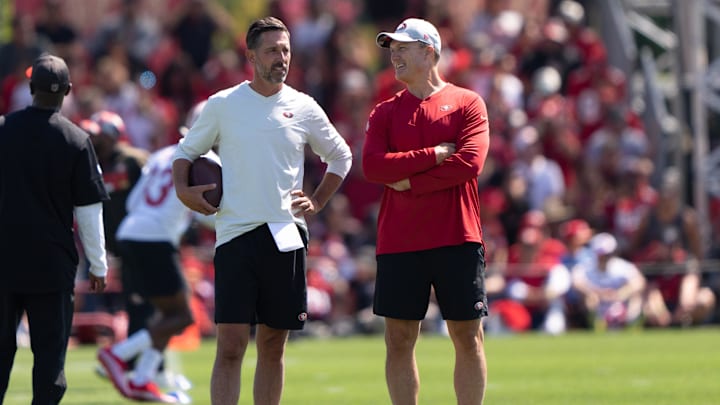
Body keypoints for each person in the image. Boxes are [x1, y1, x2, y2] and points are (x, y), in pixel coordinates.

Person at [171, 17, 352, 405]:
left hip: (286, 234)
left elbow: (340, 155)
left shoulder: (303, 106)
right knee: (231, 345)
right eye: (272, 50)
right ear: (251, 56)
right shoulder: (222, 105)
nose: (281, 57)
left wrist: (318, 200)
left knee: (273, 345)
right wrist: (184, 191)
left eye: (285, 50)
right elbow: (186, 152)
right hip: (235, 235)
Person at [363, 18, 491, 405]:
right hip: (400, 240)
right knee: (398, 339)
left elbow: (469, 163)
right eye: (392, 48)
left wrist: (411, 181)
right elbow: (374, 168)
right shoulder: (384, 111)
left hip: (457, 236)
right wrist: (433, 155)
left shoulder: (468, 102)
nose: (394, 54)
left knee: (468, 337)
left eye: (403, 47)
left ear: (429, 51)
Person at [0, 54, 109, 404]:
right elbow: (89, 211)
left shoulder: (4, 129)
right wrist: (99, 264)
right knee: (49, 364)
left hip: (4, 261)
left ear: (30, 88)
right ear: (69, 91)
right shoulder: (76, 140)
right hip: (51, 266)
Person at [97, 101, 216, 402]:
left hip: (131, 232)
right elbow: (207, 214)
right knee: (182, 316)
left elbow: (136, 199)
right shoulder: (209, 163)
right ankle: (118, 354)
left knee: (165, 314)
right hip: (155, 238)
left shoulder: (164, 154)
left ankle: (141, 377)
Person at [571, 233, 646, 330]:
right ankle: (596, 326)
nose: (603, 258)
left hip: (620, 304)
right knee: (589, 300)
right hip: (599, 305)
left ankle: (631, 325)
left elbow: (639, 282)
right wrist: (593, 293)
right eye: (601, 255)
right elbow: (576, 283)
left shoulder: (622, 266)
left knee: (636, 299)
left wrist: (621, 293)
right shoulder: (586, 267)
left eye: (606, 254)